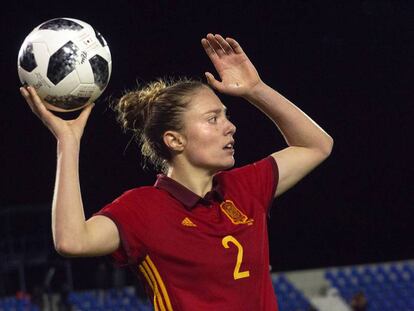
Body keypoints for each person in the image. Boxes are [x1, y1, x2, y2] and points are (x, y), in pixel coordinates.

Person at [20, 33, 333, 311]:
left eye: (226, 116)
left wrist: (256, 89)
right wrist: (68, 142)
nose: (230, 127)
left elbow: (316, 145)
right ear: (174, 139)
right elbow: (72, 241)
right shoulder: (142, 209)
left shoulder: (244, 187)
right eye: (213, 119)